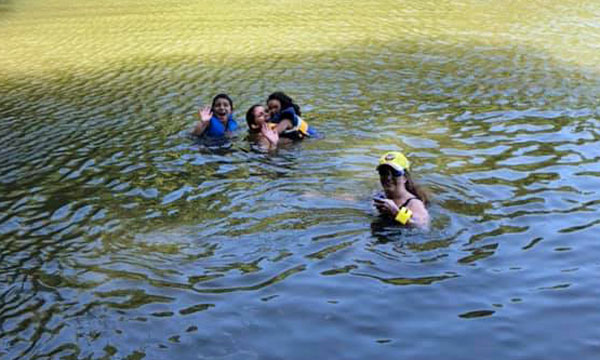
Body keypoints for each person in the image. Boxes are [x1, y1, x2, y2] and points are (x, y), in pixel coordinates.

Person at [373, 151, 430, 228]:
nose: (388, 178)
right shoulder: (380, 196)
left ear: (405, 178)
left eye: (395, 173)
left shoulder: (414, 204)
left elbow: (422, 227)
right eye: (384, 172)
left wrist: (396, 213)